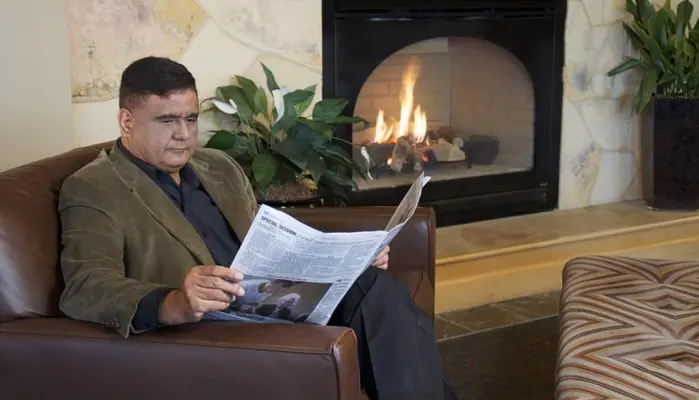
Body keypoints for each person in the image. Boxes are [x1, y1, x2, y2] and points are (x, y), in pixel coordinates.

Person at [57, 56, 457, 400]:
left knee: (374, 287)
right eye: (167, 120)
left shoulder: (219, 166)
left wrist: (346, 257)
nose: (183, 134)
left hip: (270, 295)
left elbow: (271, 239)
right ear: (127, 121)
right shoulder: (94, 186)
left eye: (191, 119)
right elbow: (85, 286)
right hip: (207, 323)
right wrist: (175, 300)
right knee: (382, 306)